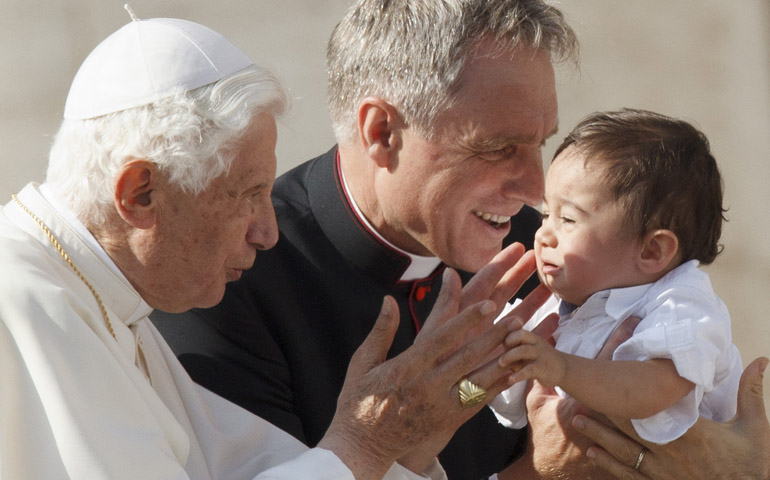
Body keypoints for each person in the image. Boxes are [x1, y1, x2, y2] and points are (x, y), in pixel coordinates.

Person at [151, 1, 770, 479]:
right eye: (499, 148)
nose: (534, 190)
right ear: (383, 132)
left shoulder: (551, 249)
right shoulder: (227, 283)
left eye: (541, 143)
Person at [0, 13, 554, 479]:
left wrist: (405, 441)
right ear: (140, 194)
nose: (267, 233)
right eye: (247, 196)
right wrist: (367, 440)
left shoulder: (116, 307)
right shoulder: (21, 303)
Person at [489, 108, 742, 446]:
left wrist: (560, 367)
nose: (544, 235)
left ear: (652, 251)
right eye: (546, 214)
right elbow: (507, 395)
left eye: (567, 219)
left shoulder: (681, 302)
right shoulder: (564, 303)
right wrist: (487, 350)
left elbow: (653, 389)